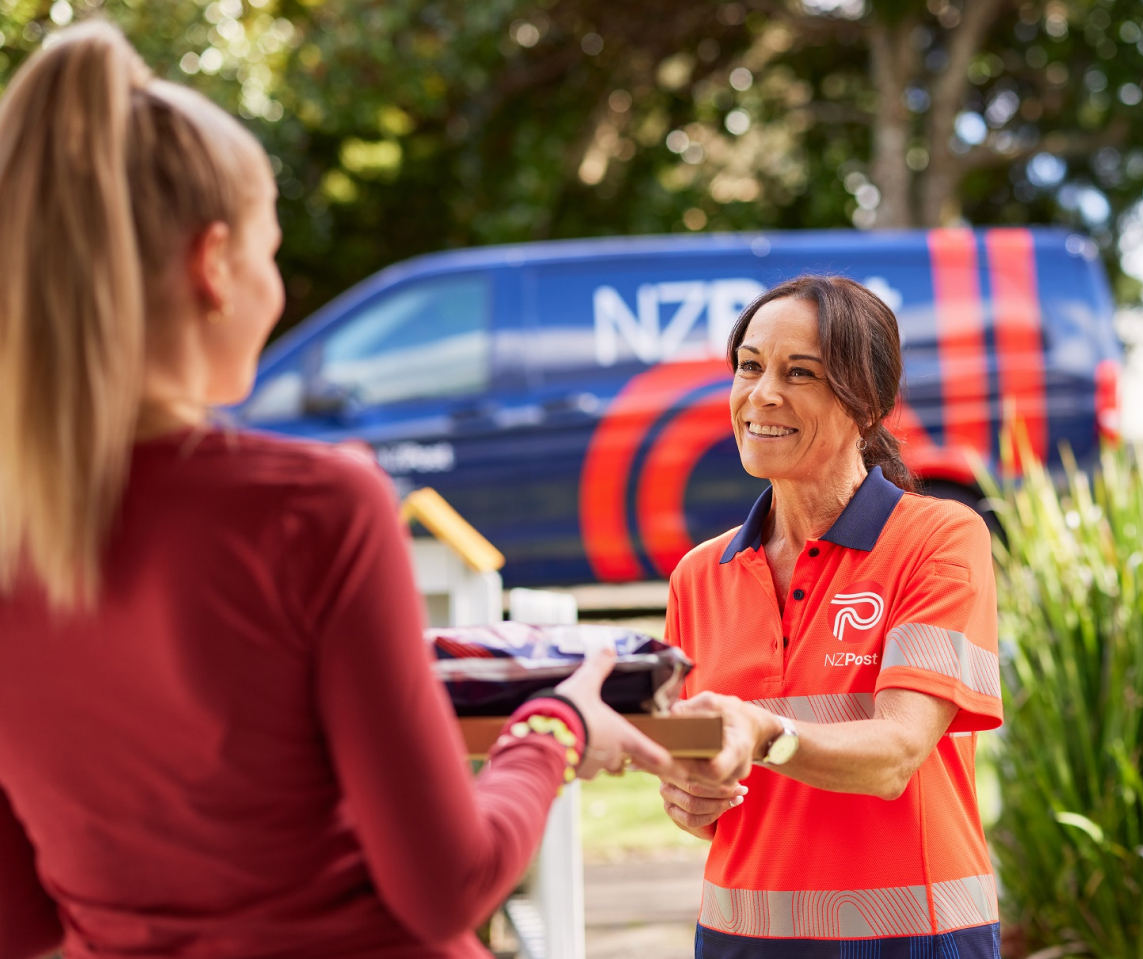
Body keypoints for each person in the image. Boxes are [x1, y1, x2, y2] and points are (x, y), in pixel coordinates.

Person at [0, 23, 671, 959]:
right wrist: (556, 728)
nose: (275, 289)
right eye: (270, 254)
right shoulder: (311, 507)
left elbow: (19, 917)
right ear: (213, 265)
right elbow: (447, 885)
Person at [657, 276, 1004, 959]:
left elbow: (896, 755)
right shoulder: (697, 576)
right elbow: (707, 784)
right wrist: (688, 797)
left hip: (916, 941)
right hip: (738, 940)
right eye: (750, 366)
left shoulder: (939, 539)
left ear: (867, 404)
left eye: (801, 373)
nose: (762, 394)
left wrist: (764, 732)